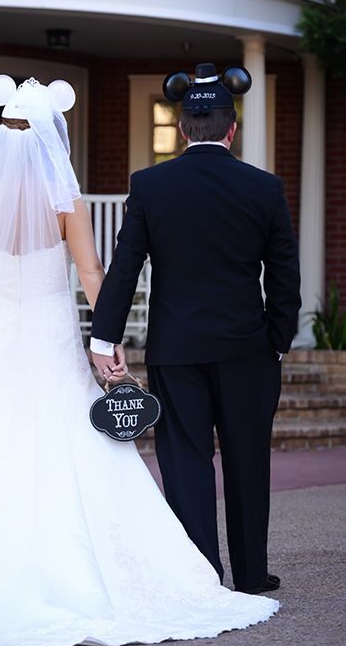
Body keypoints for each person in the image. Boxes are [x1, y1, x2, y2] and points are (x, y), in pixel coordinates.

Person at [0, 74, 278, 646]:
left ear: (1, 137)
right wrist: (107, 340)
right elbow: (95, 275)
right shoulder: (63, 204)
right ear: (50, 140)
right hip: (45, 341)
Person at [91, 62, 301, 595]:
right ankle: (252, 574)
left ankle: (202, 578)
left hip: (176, 347)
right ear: (232, 129)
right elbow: (284, 277)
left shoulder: (150, 186)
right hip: (247, 347)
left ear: (183, 127)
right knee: (248, 458)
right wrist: (278, 341)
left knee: (185, 461)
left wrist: (103, 338)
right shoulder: (264, 188)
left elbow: (125, 266)